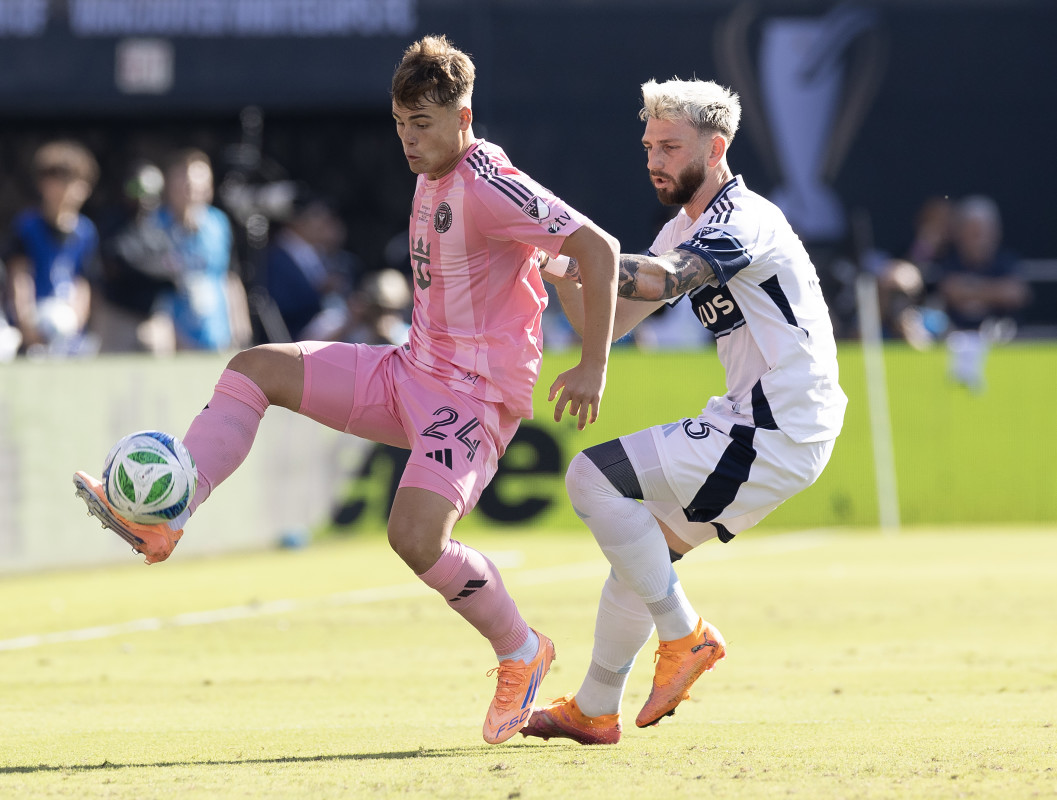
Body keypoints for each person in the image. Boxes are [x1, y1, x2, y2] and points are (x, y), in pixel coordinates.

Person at [73, 34, 619, 745]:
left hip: (470, 400)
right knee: (255, 367)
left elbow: (597, 249)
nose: (407, 141)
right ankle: (169, 514)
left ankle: (521, 649)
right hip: (407, 370)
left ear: (464, 115)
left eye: (421, 124)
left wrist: (593, 365)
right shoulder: (432, 172)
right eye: (399, 124)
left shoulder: (490, 182)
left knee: (414, 538)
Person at [521, 77, 847, 745]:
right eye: (648, 145)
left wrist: (586, 255)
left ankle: (685, 635)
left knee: (590, 477)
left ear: (716, 146)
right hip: (767, 426)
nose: (654, 159)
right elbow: (604, 324)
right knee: (637, 558)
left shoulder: (745, 217)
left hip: (774, 425)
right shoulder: (682, 226)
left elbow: (669, 279)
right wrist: (557, 273)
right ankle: (594, 708)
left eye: (670, 146)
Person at [2, 139, 100, 356]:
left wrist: (76, 321)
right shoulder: (27, 226)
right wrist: (26, 323)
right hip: (34, 320)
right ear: (43, 184)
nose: (66, 190)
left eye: (73, 182)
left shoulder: (86, 231)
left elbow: (83, 282)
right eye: (58, 181)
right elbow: (19, 275)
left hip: (66, 324)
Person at [152, 148, 252, 351]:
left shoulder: (218, 223)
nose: (192, 191)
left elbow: (230, 276)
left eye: (198, 184)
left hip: (216, 330)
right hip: (172, 332)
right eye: (185, 184)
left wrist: (241, 326)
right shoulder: (153, 225)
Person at [92, 160, 179, 354]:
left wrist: (152, 271)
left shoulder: (160, 227)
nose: (143, 198)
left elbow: (175, 273)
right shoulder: (113, 225)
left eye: (150, 190)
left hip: (154, 320)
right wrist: (157, 273)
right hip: (118, 318)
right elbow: (120, 263)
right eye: (137, 189)